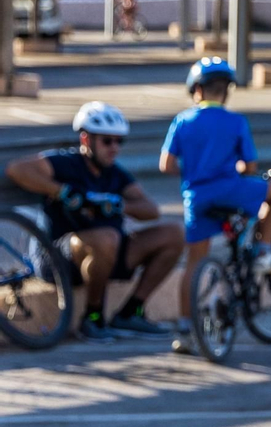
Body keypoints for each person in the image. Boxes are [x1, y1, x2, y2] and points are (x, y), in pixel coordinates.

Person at [4, 101, 184, 341]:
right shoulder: (66, 163)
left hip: (108, 251)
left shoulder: (115, 174)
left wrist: (120, 205)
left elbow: (150, 210)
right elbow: (17, 169)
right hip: (58, 258)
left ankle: (131, 313)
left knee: (174, 234)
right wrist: (62, 191)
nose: (114, 148)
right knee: (106, 238)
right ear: (86, 140)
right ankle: (93, 318)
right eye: (107, 141)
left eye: (119, 141)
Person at [160, 58, 271, 284]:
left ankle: (185, 319)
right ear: (226, 92)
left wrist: (192, 170)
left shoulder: (182, 121)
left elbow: (166, 165)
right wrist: (237, 168)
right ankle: (263, 250)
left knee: (194, 263)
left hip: (196, 196)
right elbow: (250, 167)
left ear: (197, 90)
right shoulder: (236, 121)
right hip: (231, 189)